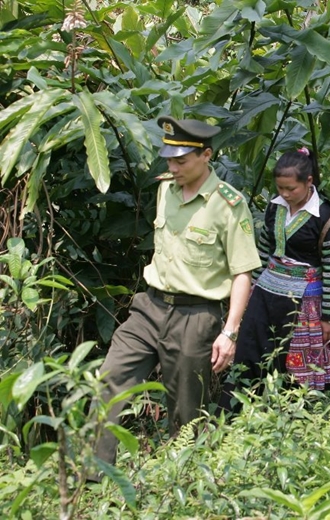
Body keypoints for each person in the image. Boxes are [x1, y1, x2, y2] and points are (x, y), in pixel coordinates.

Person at [93, 116, 261, 466]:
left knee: (186, 411)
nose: (173, 167)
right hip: (149, 307)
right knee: (109, 382)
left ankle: (182, 481)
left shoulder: (228, 204)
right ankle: (90, 476)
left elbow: (242, 272)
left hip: (195, 315)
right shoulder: (165, 188)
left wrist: (230, 332)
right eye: (169, 159)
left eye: (181, 160)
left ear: (206, 156)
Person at [217, 148, 330, 412]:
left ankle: (289, 414)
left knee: (293, 359)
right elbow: (264, 249)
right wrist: (251, 288)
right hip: (266, 290)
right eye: (280, 188)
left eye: (291, 189)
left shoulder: (325, 218)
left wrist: (328, 318)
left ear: (309, 181)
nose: (285, 194)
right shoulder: (274, 208)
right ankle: (237, 407)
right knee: (251, 346)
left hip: (305, 300)